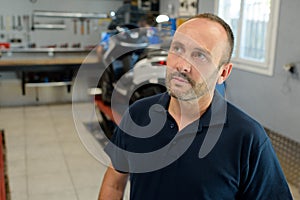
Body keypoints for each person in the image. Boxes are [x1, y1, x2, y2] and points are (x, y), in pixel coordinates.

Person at [98, 13, 293, 200]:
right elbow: (114, 182)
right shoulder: (138, 114)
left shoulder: (248, 138)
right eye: (178, 49)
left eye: (200, 55)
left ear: (223, 73)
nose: (182, 65)